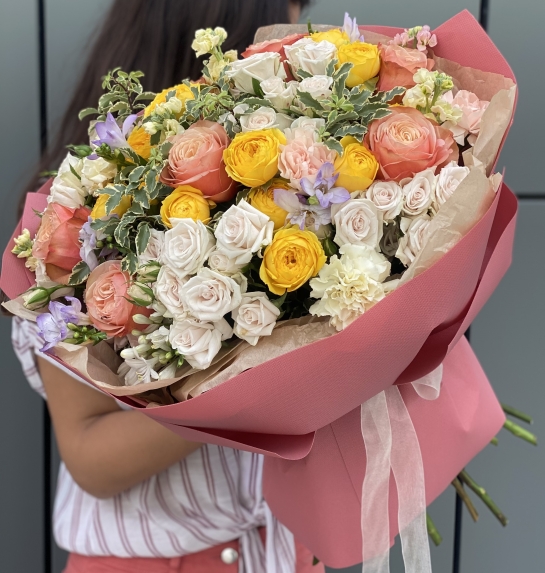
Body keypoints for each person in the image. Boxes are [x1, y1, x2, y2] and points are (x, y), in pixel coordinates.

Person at [12, 1, 324, 572]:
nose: (289, 53)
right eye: (279, 28)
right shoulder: (75, 225)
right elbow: (90, 456)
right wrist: (249, 389)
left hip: (282, 553)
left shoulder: (285, 193)